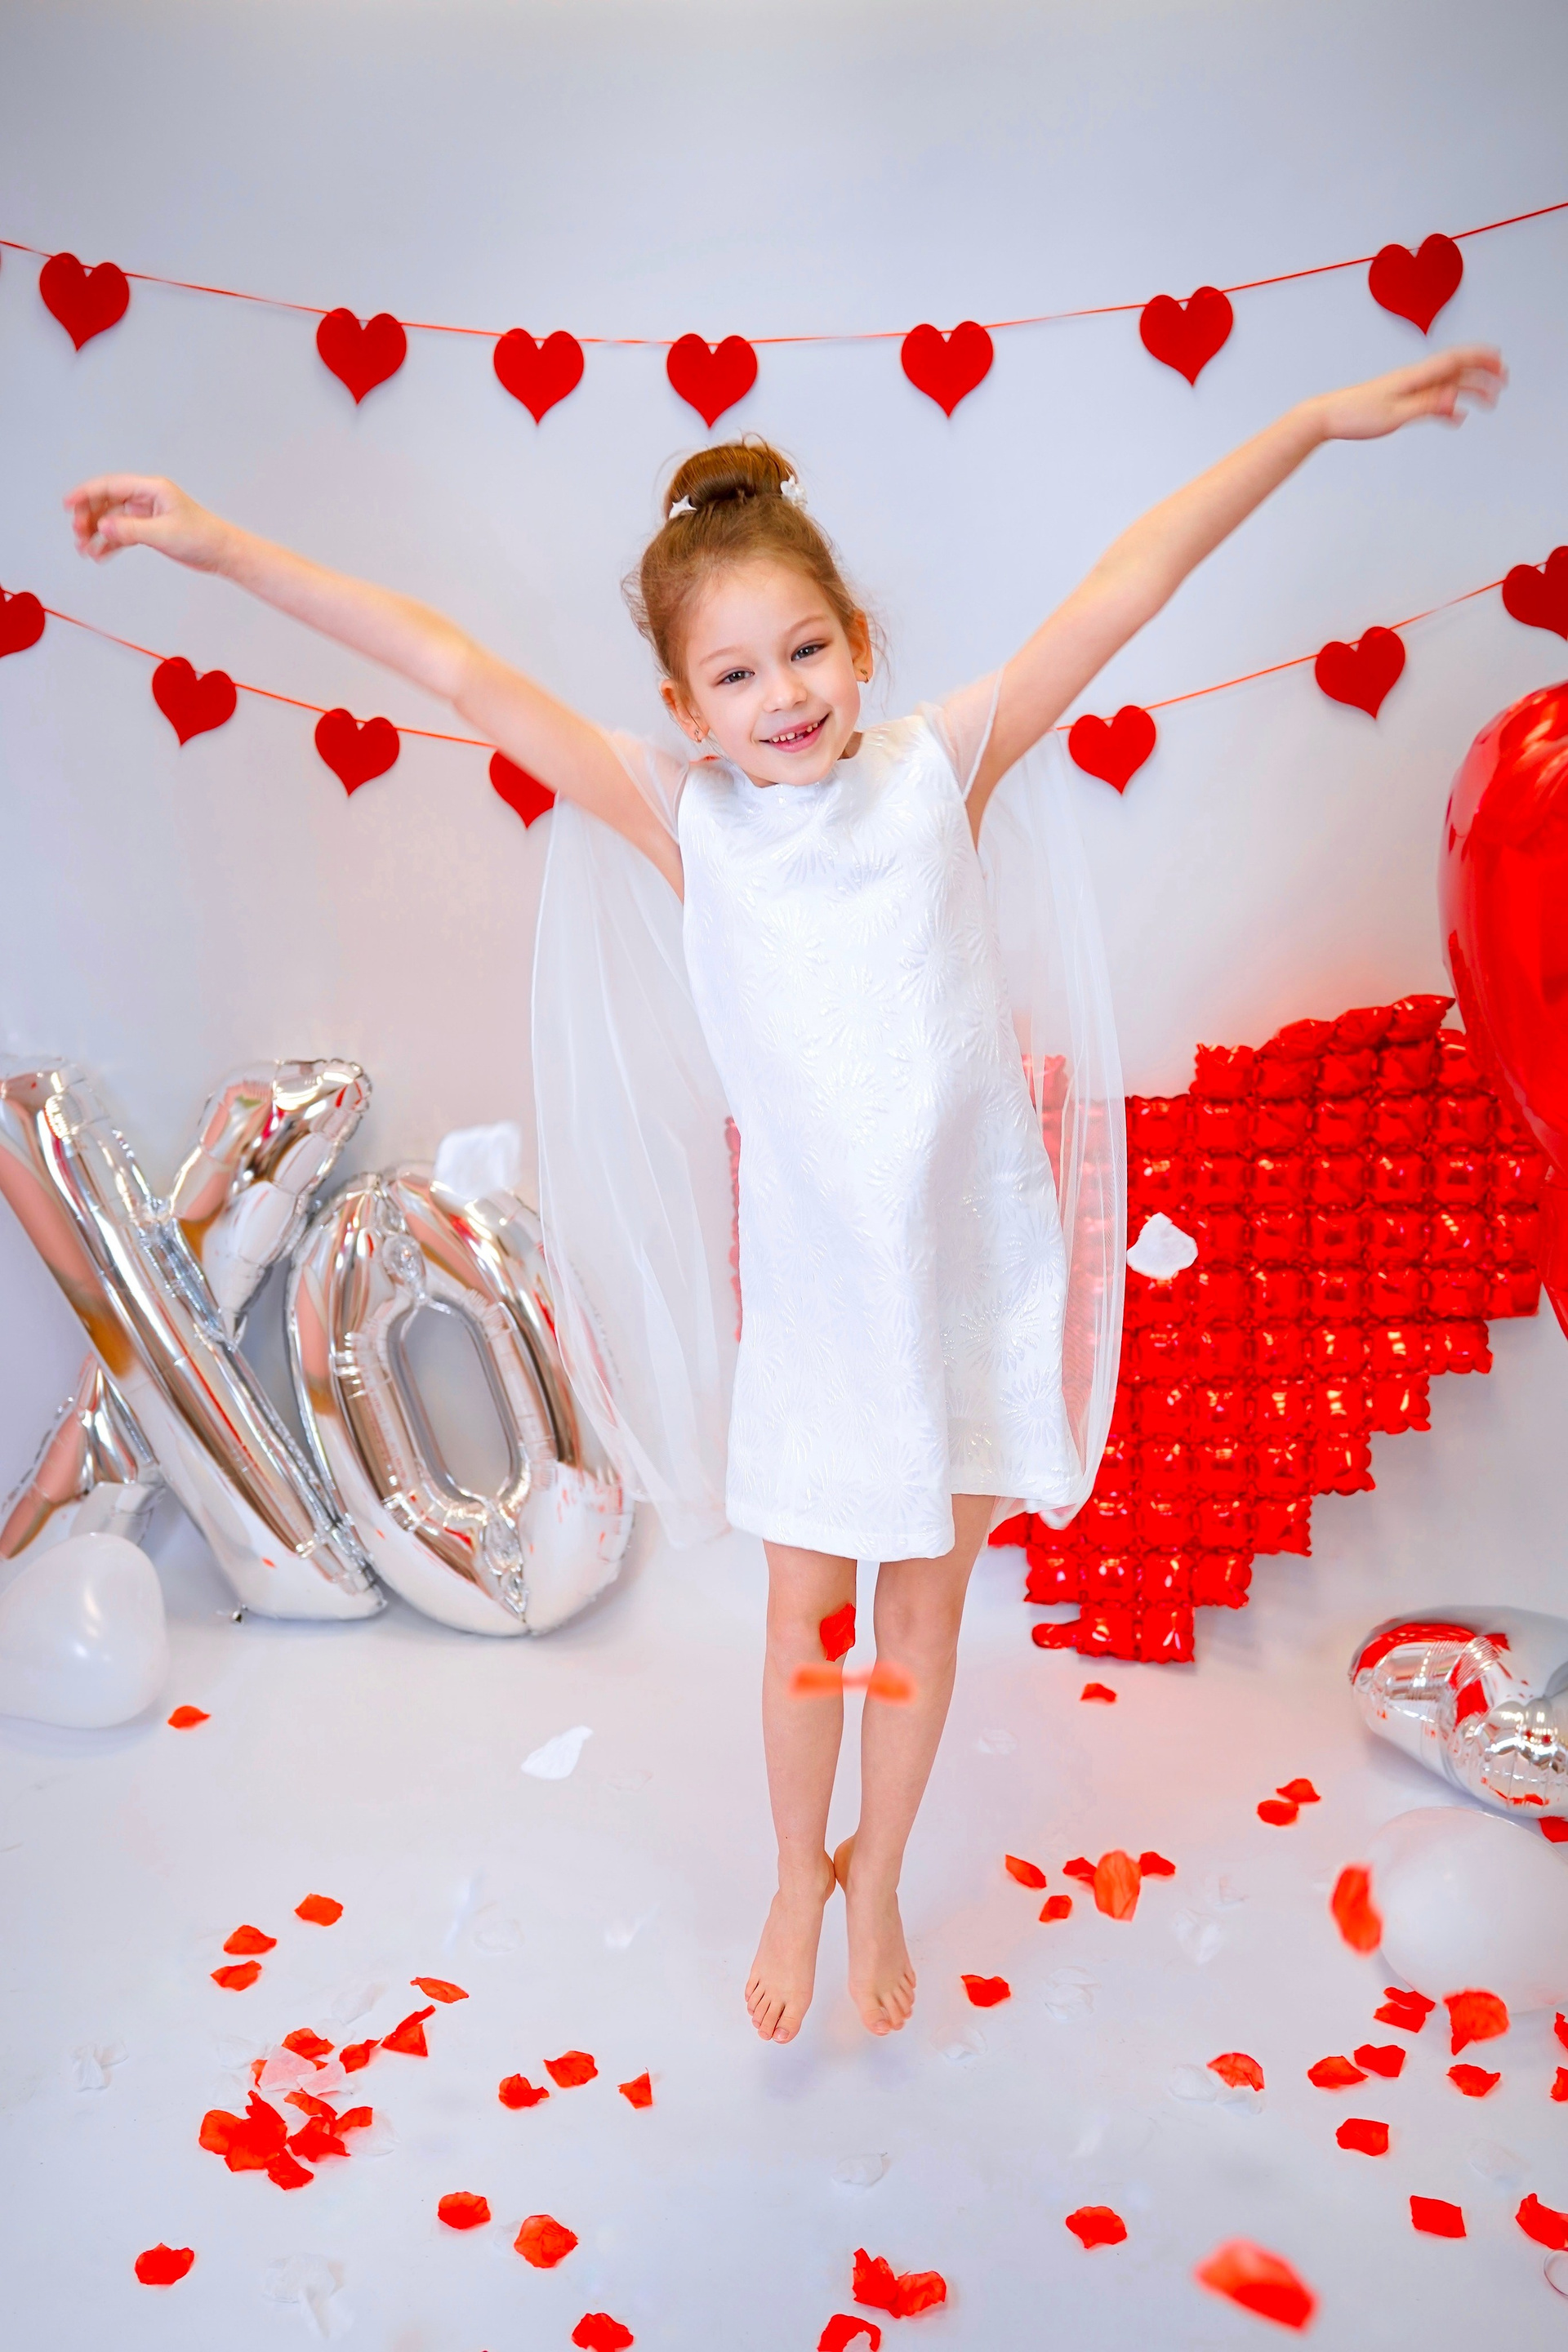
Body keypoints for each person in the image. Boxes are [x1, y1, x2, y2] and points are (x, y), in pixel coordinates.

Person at [65, 340, 1503, 2045]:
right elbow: (451, 662)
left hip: (964, 1279)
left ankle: (875, 1868)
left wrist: (1315, 418)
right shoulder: (691, 822)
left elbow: (1129, 586)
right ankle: (790, 1871)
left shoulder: (937, 769)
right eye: (737, 674)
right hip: (826, 1307)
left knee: (924, 1621)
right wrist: (215, 542)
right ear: (686, 710)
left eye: (808, 649)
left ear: (861, 643)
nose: (785, 696)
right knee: (806, 1625)